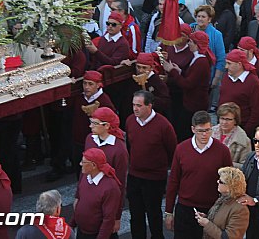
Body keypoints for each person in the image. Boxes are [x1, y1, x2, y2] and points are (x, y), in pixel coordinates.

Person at [165, 111, 233, 239]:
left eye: (208, 130)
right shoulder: (181, 149)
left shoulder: (222, 151)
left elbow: (229, 183)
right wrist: (169, 212)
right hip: (185, 208)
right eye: (201, 131)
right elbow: (173, 181)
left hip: (212, 209)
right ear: (193, 129)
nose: (205, 134)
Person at [125, 91, 177, 239]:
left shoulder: (163, 125)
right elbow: (130, 146)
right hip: (134, 175)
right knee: (135, 215)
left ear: (149, 106)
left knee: (154, 215)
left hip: (154, 178)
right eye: (133, 105)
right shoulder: (130, 121)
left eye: (139, 105)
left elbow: (172, 151)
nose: (135, 109)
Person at [84, 107, 128, 237]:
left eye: (95, 123)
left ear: (107, 126)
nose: (90, 125)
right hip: (89, 196)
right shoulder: (89, 139)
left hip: (106, 200)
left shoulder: (119, 150)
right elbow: (84, 172)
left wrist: (117, 216)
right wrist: (78, 196)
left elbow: (120, 184)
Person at [163, 30, 214, 142]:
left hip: (194, 104)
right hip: (191, 101)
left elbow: (187, 84)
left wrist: (172, 71)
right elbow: (193, 77)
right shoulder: (197, 58)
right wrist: (180, 71)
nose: (189, 43)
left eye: (191, 41)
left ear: (197, 44)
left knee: (184, 132)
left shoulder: (201, 61)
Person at [71, 71, 117, 170]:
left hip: (97, 144)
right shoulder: (78, 98)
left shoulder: (104, 101)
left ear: (98, 85)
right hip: (79, 142)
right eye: (84, 83)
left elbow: (112, 124)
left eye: (90, 84)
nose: (86, 87)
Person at [72, 148, 122, 239]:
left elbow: (108, 219)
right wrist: (72, 224)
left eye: (83, 162)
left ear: (93, 165)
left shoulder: (110, 188)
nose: (80, 164)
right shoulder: (85, 176)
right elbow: (79, 200)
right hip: (82, 233)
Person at [218, 49, 259, 136]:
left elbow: (257, 113)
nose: (226, 67)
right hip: (223, 127)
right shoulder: (227, 77)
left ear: (239, 64)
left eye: (229, 63)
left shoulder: (253, 83)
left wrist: (244, 132)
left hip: (241, 130)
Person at [195, 166, 250, 239]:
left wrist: (207, 224)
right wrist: (206, 218)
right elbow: (220, 222)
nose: (217, 181)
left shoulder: (240, 209)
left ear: (230, 187)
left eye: (221, 181)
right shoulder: (223, 199)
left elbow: (230, 237)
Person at [212, 102, 252, 169]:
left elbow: (246, 167)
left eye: (228, 119)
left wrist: (226, 163)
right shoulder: (210, 132)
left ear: (235, 121)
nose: (224, 122)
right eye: (222, 118)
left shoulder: (244, 140)